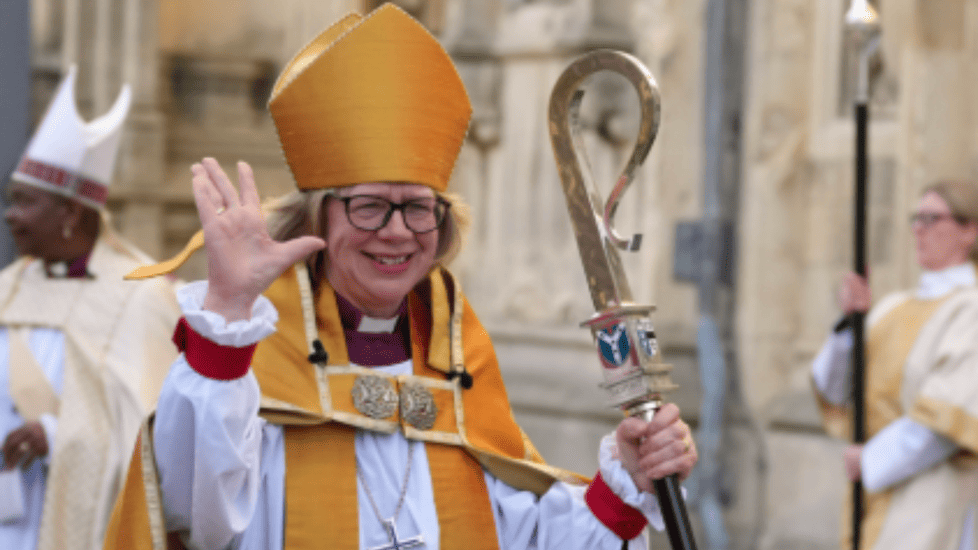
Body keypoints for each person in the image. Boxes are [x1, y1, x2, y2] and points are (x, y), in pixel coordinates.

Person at [103, 5, 698, 550]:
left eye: (417, 208)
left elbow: (521, 535)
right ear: (319, 216)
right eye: (369, 206)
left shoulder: (456, 364)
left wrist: (625, 486)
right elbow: (192, 514)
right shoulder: (250, 365)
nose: (396, 232)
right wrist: (228, 310)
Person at [0, 65, 180, 550]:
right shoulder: (7, 290)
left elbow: (154, 434)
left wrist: (57, 438)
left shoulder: (141, 295)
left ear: (70, 212)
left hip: (78, 524)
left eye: (24, 202)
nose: (10, 216)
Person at [812, 179, 978, 550]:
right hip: (874, 490)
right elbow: (835, 389)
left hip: (933, 489)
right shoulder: (893, 307)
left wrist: (871, 460)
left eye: (933, 218)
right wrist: (849, 324)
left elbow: (946, 418)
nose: (919, 229)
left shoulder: (971, 309)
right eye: (916, 218)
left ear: (969, 231)